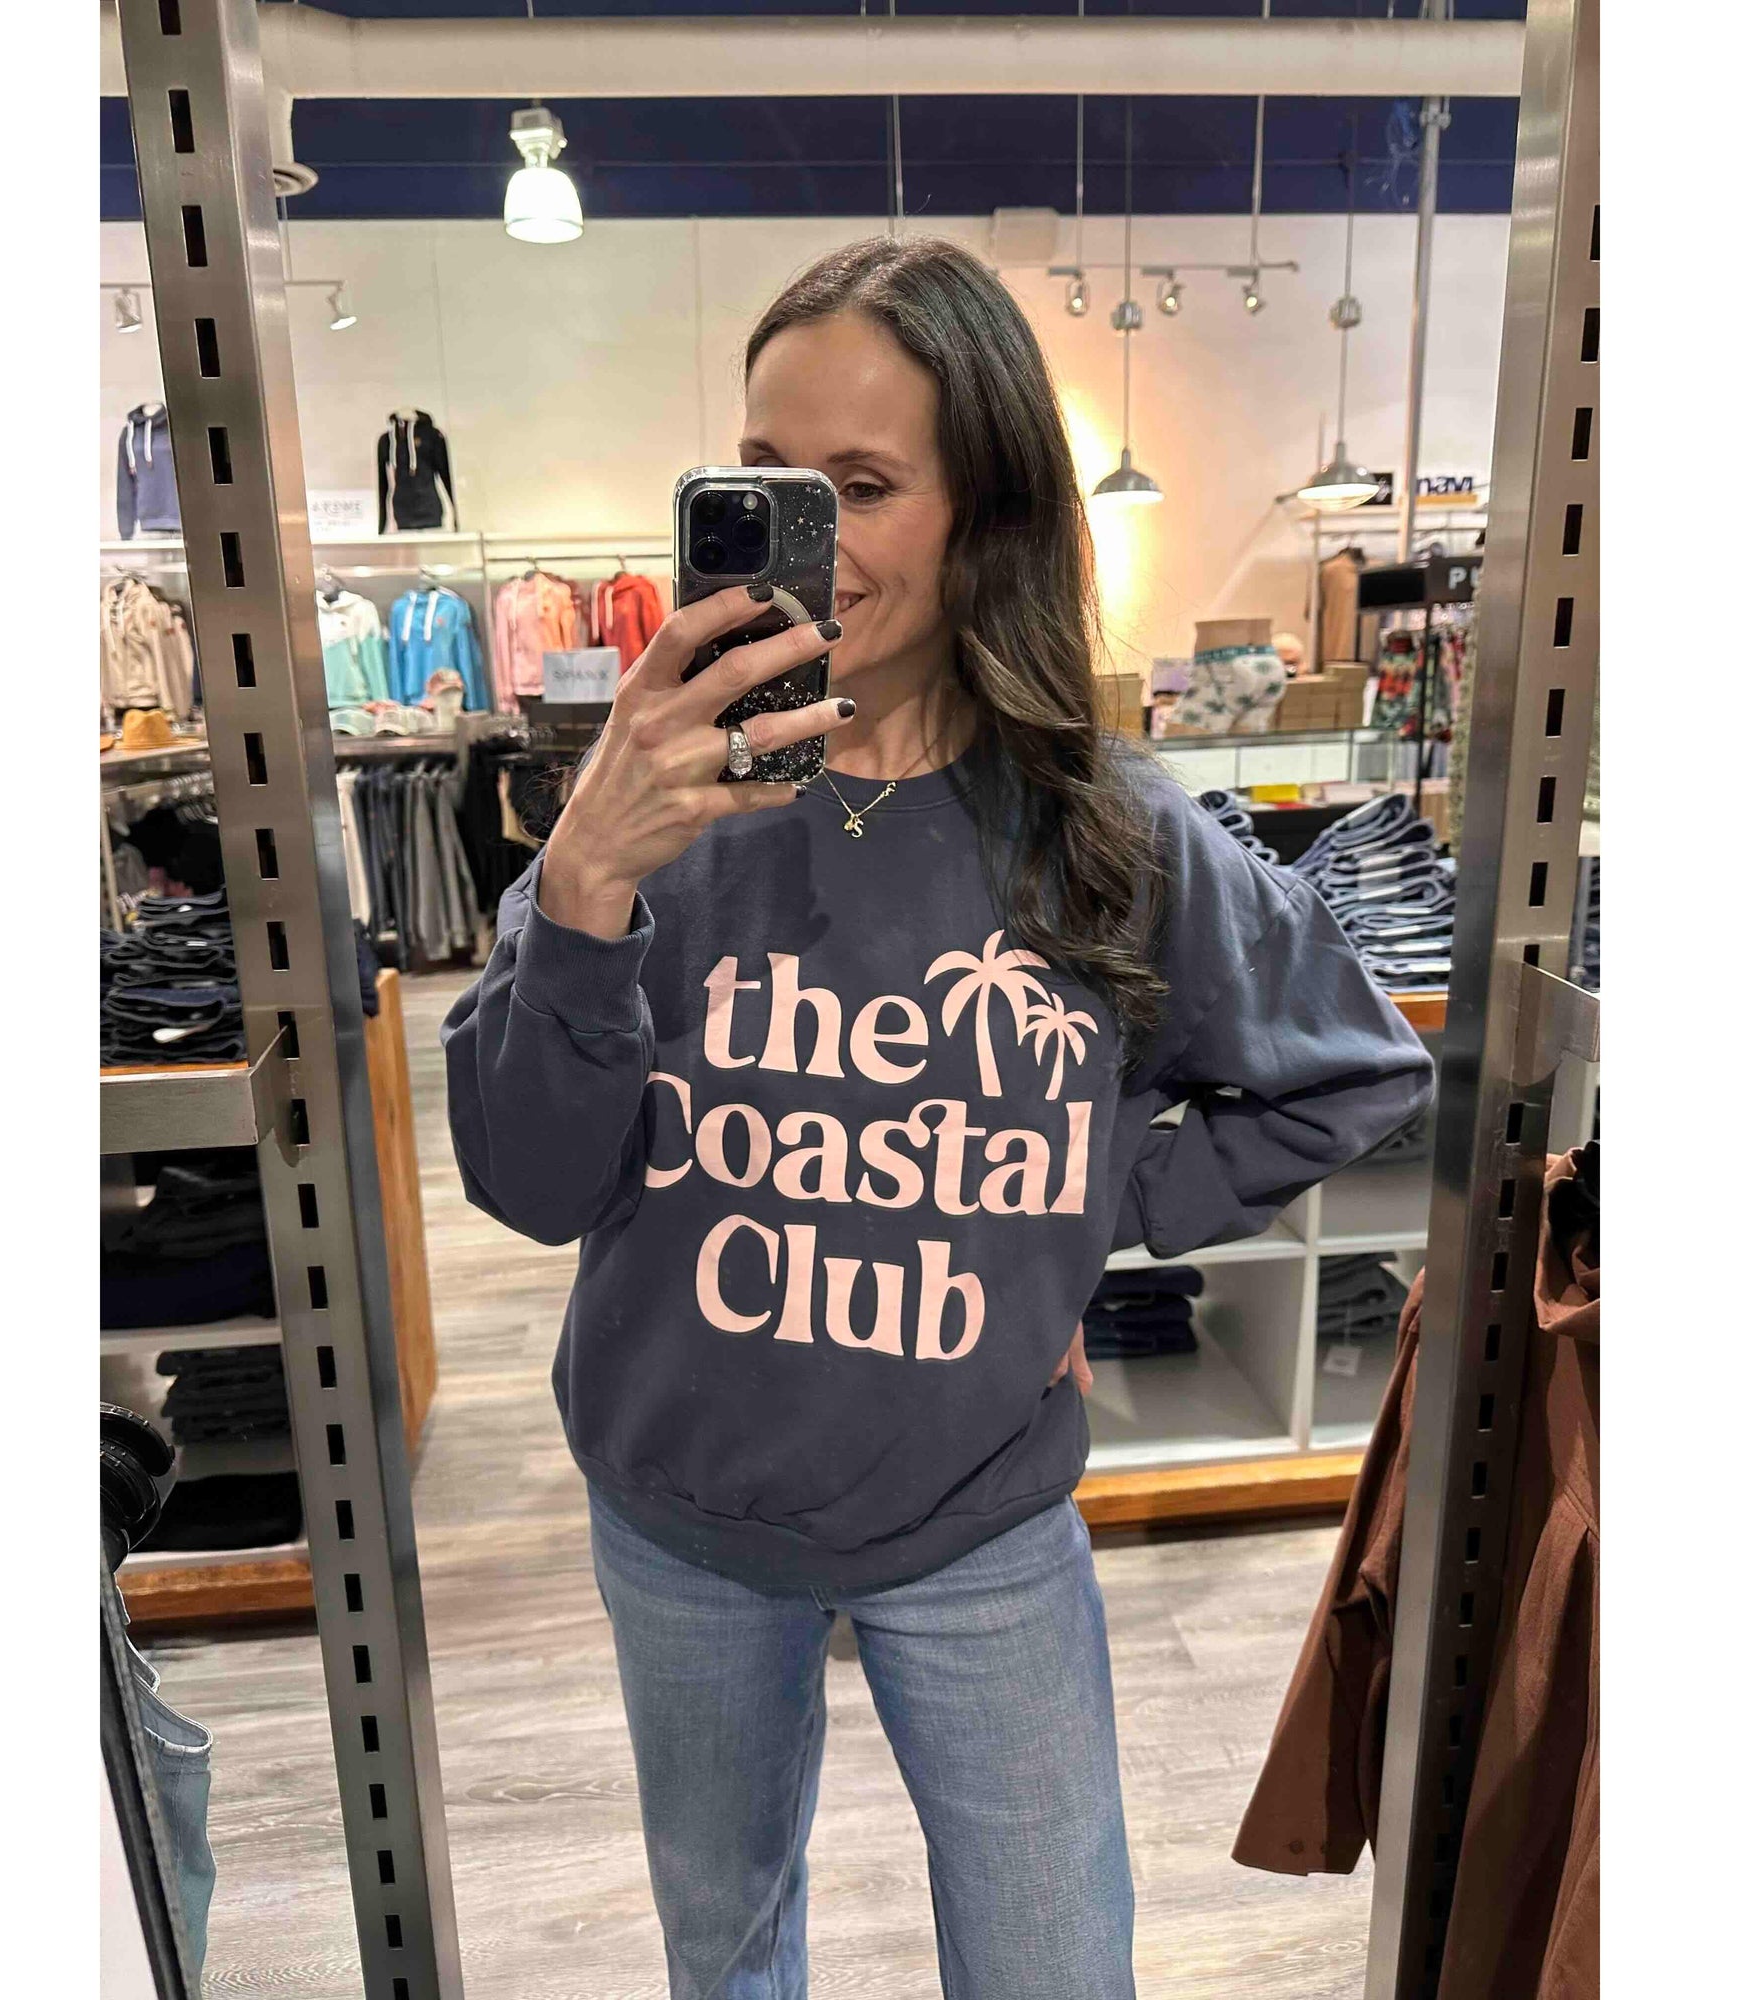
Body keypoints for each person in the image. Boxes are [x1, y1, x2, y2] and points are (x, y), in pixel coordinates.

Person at [443, 236, 1434, 2000]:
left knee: (1056, 1960)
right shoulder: (652, 812)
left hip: (980, 1520)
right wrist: (584, 884)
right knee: (723, 1949)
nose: (807, 532)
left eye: (863, 484)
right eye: (768, 477)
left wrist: (1096, 1208)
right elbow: (527, 1180)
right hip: (679, 1514)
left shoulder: (1111, 830)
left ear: (987, 508)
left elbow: (1359, 1068)